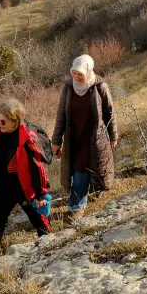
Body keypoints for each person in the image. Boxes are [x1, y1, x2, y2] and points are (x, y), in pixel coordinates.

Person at [52, 55, 117, 221]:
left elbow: (110, 112)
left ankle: (80, 203)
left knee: (90, 167)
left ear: (88, 71)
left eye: (80, 74)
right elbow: (61, 116)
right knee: (78, 170)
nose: (76, 77)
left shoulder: (99, 86)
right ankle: (79, 204)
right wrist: (56, 140)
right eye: (74, 73)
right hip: (74, 137)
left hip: (95, 136)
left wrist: (113, 135)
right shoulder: (68, 88)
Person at [0, 99, 51, 259]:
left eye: (3, 121)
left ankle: (50, 251)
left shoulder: (28, 138)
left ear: (15, 121)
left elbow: (39, 168)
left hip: (25, 188)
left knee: (40, 222)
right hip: (2, 187)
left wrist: (41, 194)